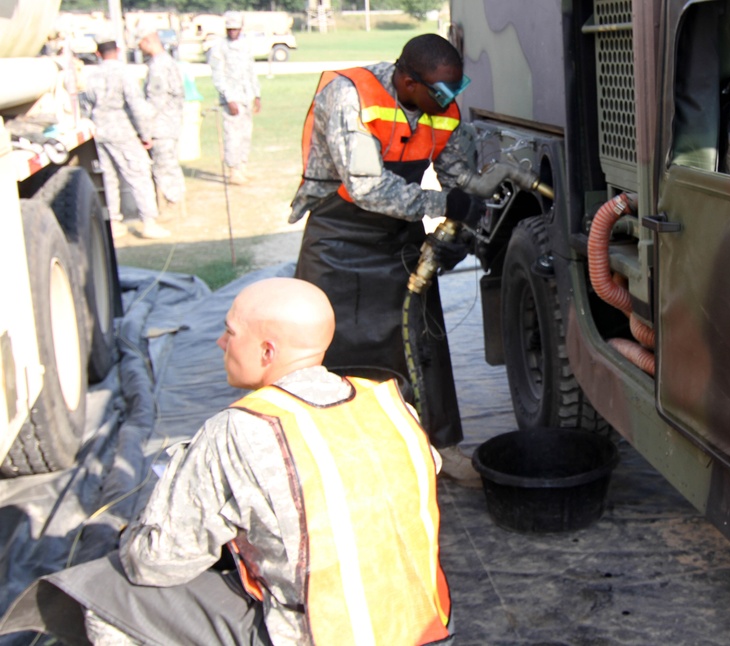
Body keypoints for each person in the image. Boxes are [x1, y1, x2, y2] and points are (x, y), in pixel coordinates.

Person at [0, 277, 453, 645]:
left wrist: (136, 530)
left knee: (105, 591)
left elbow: (155, 562)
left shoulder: (243, 429)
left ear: (267, 351)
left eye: (231, 332)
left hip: (321, 634)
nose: (220, 342)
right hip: (423, 625)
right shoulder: (390, 405)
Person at [289, 33, 484, 488]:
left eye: (456, 88)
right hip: (338, 237)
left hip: (397, 237)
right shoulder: (350, 97)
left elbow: (462, 181)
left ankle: (439, 446)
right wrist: (443, 205)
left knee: (423, 343)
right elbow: (368, 188)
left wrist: (466, 228)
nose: (450, 100)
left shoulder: (443, 107)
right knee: (322, 349)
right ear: (408, 81)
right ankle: (324, 457)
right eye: (441, 91)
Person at [81, 39, 170, 239]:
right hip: (122, 131)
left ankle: (113, 222)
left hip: (99, 132)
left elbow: (85, 106)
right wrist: (145, 134)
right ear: (118, 51)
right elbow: (136, 106)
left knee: (108, 178)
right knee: (139, 175)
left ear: (98, 53)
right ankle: (149, 222)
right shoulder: (124, 73)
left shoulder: (91, 75)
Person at [138, 27, 186, 220]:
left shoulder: (158, 66)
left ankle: (172, 203)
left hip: (161, 125)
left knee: (164, 167)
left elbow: (154, 102)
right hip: (170, 123)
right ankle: (174, 201)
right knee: (170, 164)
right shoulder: (168, 61)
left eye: (140, 44)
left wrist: (145, 130)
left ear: (148, 41)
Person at [209, 11, 261, 185]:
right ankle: (233, 170)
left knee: (246, 133)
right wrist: (229, 98)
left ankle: (242, 166)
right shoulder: (219, 47)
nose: (233, 32)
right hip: (232, 98)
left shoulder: (245, 45)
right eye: (230, 29)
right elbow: (218, 76)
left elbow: (251, 71)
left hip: (246, 95)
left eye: (235, 29)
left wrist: (257, 95)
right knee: (232, 135)